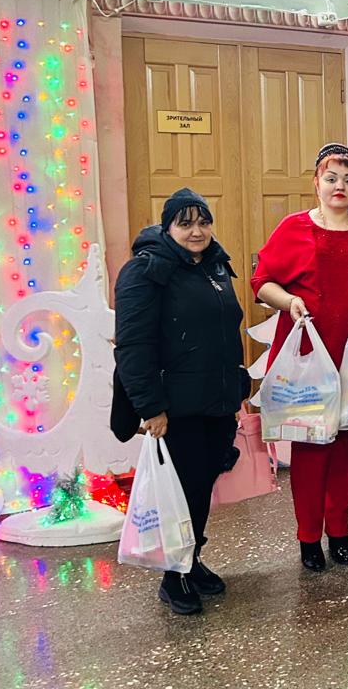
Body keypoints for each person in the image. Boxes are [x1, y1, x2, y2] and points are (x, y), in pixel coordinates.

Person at [250, 143, 348, 572]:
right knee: (310, 447)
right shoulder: (293, 227)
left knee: (344, 446)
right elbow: (262, 282)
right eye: (332, 178)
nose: (340, 186)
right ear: (316, 183)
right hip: (307, 357)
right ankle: (307, 537)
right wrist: (289, 301)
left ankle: (339, 530)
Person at [113, 188, 250, 616]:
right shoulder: (145, 271)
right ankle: (173, 577)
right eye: (185, 223)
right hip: (176, 408)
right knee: (182, 492)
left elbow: (225, 333)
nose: (196, 231)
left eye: (203, 222)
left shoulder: (213, 266)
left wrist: (237, 389)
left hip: (216, 401)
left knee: (201, 489)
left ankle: (190, 559)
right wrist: (150, 407)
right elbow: (132, 345)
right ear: (167, 226)